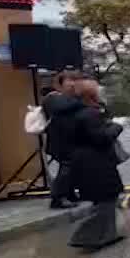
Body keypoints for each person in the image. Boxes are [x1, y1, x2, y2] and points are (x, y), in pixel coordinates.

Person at [68, 78, 125, 251]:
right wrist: (117, 126)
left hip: (89, 161)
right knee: (106, 199)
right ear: (91, 94)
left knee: (106, 199)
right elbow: (101, 138)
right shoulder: (88, 114)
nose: (101, 91)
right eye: (98, 89)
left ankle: (107, 235)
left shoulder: (82, 111)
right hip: (95, 162)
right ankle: (84, 236)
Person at [42, 70, 84, 209]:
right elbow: (60, 108)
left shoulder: (73, 98)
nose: (73, 83)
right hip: (59, 141)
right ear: (60, 83)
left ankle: (69, 194)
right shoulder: (52, 97)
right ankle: (57, 198)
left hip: (72, 139)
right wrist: (80, 100)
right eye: (69, 80)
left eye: (75, 80)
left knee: (73, 168)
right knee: (66, 168)